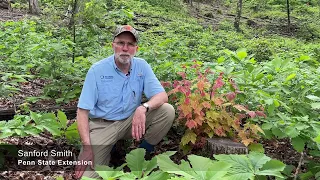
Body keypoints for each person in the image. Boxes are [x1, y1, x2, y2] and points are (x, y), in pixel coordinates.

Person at [74, 25, 175, 179]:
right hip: (103, 126)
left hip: (130, 122)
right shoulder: (97, 71)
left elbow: (161, 95)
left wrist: (143, 108)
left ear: (136, 48)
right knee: (87, 176)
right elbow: (82, 111)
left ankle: (143, 154)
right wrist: (87, 146)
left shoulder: (142, 66)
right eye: (121, 43)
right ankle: (109, 149)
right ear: (113, 45)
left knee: (167, 111)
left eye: (130, 44)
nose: (125, 48)